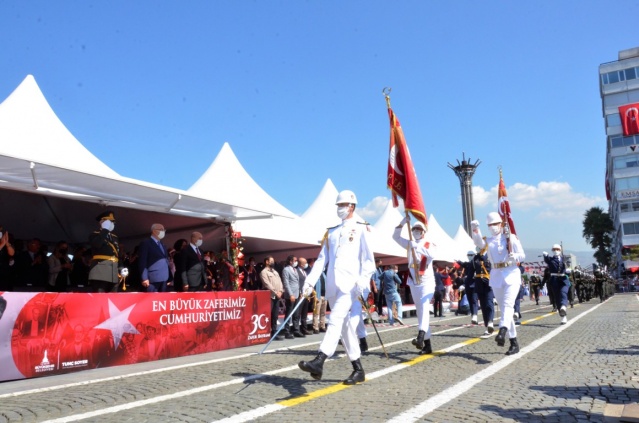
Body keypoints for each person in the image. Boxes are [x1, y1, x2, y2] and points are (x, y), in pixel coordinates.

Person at [298, 190, 376, 385]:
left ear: (352, 206)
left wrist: (363, 280)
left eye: (342, 205)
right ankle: (358, 369)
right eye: (338, 205)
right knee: (344, 327)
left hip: (351, 285)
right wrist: (309, 283)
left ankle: (320, 359)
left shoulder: (361, 228)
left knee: (335, 319)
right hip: (333, 286)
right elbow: (321, 261)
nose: (339, 209)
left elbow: (369, 261)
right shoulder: (331, 231)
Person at [471, 212, 525, 355]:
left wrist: (516, 256)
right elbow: (479, 244)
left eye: (495, 224)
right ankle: (513, 342)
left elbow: (522, 255)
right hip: (496, 275)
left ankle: (502, 330)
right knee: (504, 308)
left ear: (501, 224)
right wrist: (475, 231)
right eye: (490, 225)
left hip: (512, 273)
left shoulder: (510, 238)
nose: (493, 227)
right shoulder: (488, 240)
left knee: (508, 305)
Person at [393, 218, 436, 355]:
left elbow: (432, 254)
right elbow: (395, 237)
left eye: (419, 229)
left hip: (426, 280)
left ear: (424, 232)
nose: (416, 231)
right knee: (420, 312)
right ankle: (427, 345)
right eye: (414, 229)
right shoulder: (409, 243)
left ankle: (421, 336)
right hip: (414, 281)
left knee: (424, 307)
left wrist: (417, 246)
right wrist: (402, 223)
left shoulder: (429, 244)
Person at [88, 211, 121, 293]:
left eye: (113, 222)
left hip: (113, 273)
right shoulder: (94, 235)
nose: (112, 223)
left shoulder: (114, 237)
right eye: (110, 221)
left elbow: (116, 255)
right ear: (102, 222)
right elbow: (97, 244)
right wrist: (105, 230)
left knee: (112, 301)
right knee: (100, 300)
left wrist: (121, 268)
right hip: (100, 272)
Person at [138, 223, 172, 292]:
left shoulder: (162, 244)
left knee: (161, 300)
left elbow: (166, 261)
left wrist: (169, 277)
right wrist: (144, 278)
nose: (163, 231)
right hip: (152, 278)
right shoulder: (146, 243)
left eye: (164, 230)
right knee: (151, 300)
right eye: (161, 229)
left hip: (164, 278)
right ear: (153, 231)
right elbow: (142, 261)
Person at [259, 256, 285, 340]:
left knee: (275, 315)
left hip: (277, 296)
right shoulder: (264, 272)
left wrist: (281, 291)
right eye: (271, 261)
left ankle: (274, 332)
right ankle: (267, 333)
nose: (273, 262)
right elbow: (267, 284)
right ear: (267, 262)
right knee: (268, 315)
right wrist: (275, 292)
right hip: (269, 296)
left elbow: (280, 281)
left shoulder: (275, 272)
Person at [543, 244, 569, 325]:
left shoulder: (564, 258)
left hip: (563, 279)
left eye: (557, 249)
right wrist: (545, 256)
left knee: (563, 292)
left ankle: (564, 306)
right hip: (554, 279)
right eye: (554, 249)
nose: (555, 251)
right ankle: (563, 316)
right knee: (557, 298)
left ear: (560, 250)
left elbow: (567, 265)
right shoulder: (550, 259)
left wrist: (568, 269)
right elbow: (547, 260)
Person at [282, 255, 304, 337]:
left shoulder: (295, 269)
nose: (296, 262)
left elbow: (297, 282)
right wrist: (291, 294)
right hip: (290, 295)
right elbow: (286, 283)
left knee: (296, 313)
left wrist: (300, 292)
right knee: (289, 313)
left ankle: (296, 329)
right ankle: (287, 331)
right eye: (295, 260)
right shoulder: (286, 270)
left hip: (297, 293)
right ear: (290, 261)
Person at [312, 270, 327, 334]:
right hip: (318, 296)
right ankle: (315, 327)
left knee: (323, 312)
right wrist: (314, 296)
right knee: (316, 313)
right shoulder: (315, 275)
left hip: (325, 296)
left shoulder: (324, 274)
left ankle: (322, 326)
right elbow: (312, 287)